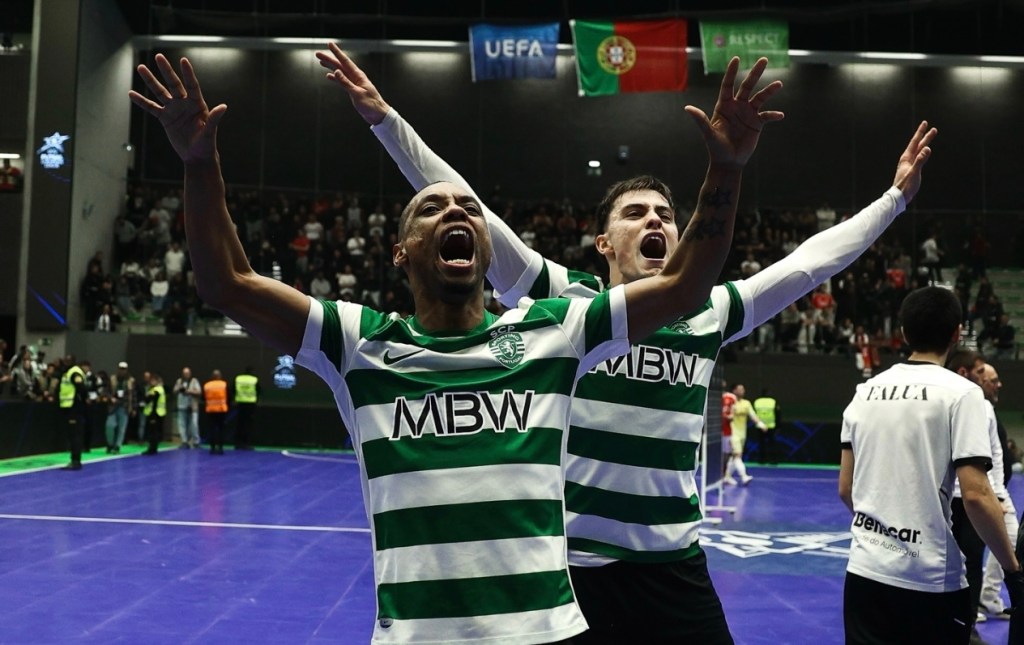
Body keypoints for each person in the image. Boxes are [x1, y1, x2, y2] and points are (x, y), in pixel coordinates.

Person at [319, 42, 934, 643]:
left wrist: (894, 200)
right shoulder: (564, 304)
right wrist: (385, 120)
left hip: (674, 567)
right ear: (605, 245)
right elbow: (463, 204)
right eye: (635, 214)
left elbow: (809, 264)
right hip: (578, 571)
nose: (656, 221)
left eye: (665, 214)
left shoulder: (708, 310)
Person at [131, 52, 751, 644]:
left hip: (548, 635)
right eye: (433, 206)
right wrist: (197, 164)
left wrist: (724, 171)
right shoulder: (360, 343)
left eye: (470, 208)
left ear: (488, 250)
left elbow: (684, 284)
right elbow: (227, 285)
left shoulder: (554, 332)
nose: (456, 209)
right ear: (401, 251)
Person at [838, 287, 1023, 644]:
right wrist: (1012, 569)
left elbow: (846, 488)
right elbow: (976, 494)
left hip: (864, 570)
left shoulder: (864, 392)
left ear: (903, 332)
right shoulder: (962, 394)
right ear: (957, 333)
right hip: (929, 577)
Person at [976, 363, 1019, 623]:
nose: (999, 384)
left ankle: (988, 594)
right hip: (989, 489)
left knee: (1009, 539)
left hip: (997, 488)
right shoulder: (977, 410)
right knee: (968, 548)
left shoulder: (988, 409)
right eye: (994, 380)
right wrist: (995, 494)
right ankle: (971, 604)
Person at [726, 383, 766, 484]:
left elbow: (753, 416)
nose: (742, 391)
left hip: (742, 434)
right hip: (731, 433)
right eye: (740, 389)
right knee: (737, 455)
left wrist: (761, 424)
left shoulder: (746, 403)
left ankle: (726, 476)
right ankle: (744, 476)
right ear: (734, 391)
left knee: (734, 457)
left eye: (743, 389)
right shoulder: (729, 402)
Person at [58, 355, 88, 470]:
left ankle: (76, 461)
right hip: (69, 407)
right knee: (73, 435)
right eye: (65, 360)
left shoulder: (74, 372)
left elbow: (81, 388)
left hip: (74, 408)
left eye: (68, 360)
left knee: (75, 435)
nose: (66, 362)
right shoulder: (68, 372)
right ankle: (74, 459)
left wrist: (80, 401)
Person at [105, 361, 136, 454]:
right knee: (109, 426)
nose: (122, 371)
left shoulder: (131, 381)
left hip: (125, 406)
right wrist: (111, 398)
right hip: (113, 407)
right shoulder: (112, 379)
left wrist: (134, 408)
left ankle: (117, 446)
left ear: (126, 370)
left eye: (124, 369)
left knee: (122, 428)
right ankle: (110, 443)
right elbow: (106, 391)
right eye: (120, 369)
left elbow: (134, 395)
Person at [172, 367, 202, 448]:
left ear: (190, 373)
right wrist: (179, 388)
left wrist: (189, 391)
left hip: (192, 407)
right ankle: (184, 441)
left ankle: (196, 441)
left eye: (187, 373)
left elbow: (199, 392)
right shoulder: (179, 381)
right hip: (181, 406)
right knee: (182, 425)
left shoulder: (194, 381)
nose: (186, 375)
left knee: (194, 425)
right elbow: (174, 391)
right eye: (185, 373)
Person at [203, 369, 229, 455]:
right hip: (221, 410)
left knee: (212, 430)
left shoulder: (207, 385)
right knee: (221, 430)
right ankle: (220, 448)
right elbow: (228, 397)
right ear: (219, 376)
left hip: (210, 410)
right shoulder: (224, 384)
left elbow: (203, 398)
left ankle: (212, 448)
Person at [233, 366, 259, 450]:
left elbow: (233, 389)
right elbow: (259, 391)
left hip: (240, 403)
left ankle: (238, 444)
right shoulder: (254, 379)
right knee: (248, 425)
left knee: (239, 424)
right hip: (250, 404)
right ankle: (246, 444)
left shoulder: (238, 378)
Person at [752, 388, 780, 465]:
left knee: (761, 444)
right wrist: (778, 427)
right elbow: (778, 415)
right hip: (771, 426)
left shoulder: (757, 402)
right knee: (772, 444)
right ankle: (773, 460)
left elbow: (753, 414)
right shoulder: (773, 401)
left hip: (760, 426)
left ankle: (761, 460)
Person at [142, 373, 166, 455]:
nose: (151, 382)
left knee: (152, 432)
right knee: (155, 432)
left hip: (154, 413)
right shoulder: (160, 389)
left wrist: (152, 417)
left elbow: (150, 401)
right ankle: (154, 448)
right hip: (159, 413)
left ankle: (151, 448)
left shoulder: (156, 390)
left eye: (152, 381)